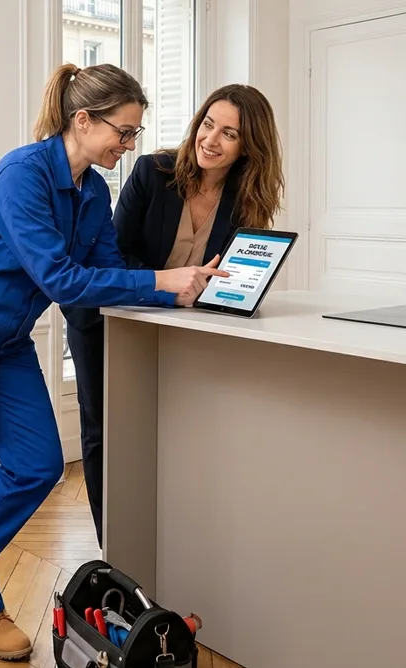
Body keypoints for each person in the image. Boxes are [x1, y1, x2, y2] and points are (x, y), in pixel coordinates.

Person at [0, 63, 230, 663]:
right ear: (83, 120)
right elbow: (59, 277)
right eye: (123, 134)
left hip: (8, 337)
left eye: (134, 135)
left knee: (39, 463)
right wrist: (161, 278)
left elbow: (101, 275)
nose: (128, 147)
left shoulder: (94, 193)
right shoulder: (20, 174)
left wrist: (178, 290)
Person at [61, 83, 286, 547]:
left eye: (229, 134)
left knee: (173, 433)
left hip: (181, 330)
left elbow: (228, 275)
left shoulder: (248, 201)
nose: (211, 140)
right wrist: (173, 282)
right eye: (208, 124)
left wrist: (242, 287)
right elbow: (115, 258)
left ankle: (171, 544)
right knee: (105, 433)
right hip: (108, 320)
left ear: (250, 147)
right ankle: (114, 547)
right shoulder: (152, 172)